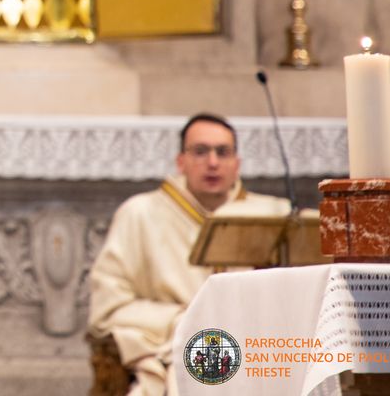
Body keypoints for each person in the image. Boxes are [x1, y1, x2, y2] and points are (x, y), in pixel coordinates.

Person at [87, 114, 290, 396]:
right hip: (178, 346)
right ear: (180, 161)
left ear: (237, 164)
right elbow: (108, 309)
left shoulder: (275, 214)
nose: (213, 162)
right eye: (200, 151)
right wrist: (182, 320)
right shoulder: (139, 214)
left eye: (223, 152)